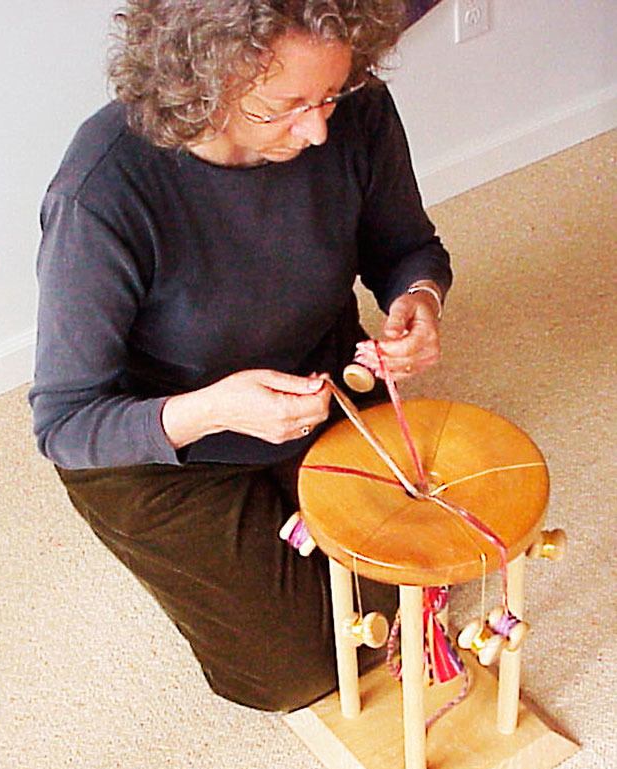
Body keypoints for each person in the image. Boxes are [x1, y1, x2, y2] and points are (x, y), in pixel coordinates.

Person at [30, 0, 452, 712]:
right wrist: (214, 410)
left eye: (330, 96)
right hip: (164, 448)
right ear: (207, 77)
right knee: (298, 671)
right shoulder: (100, 192)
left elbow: (406, 245)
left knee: (410, 583)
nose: (319, 127)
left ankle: (284, 505)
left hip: (322, 382)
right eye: (287, 106)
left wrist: (420, 297)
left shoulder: (355, 105)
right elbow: (64, 425)